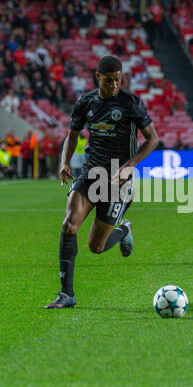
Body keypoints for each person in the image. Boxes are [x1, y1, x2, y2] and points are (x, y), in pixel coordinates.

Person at [45, 55, 159, 309]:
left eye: (118, 80)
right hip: (90, 174)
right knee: (69, 224)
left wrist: (130, 166)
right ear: (98, 77)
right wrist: (64, 162)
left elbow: (152, 139)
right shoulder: (85, 102)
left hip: (119, 178)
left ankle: (123, 230)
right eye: (109, 81)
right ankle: (67, 295)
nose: (114, 85)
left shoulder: (131, 103)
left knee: (96, 247)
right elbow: (72, 136)